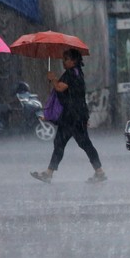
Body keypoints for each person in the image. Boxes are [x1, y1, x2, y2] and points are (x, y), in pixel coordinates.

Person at [31, 48, 107, 184]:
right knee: (72, 143)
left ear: (74, 61)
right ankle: (50, 172)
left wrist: (53, 79)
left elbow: (60, 88)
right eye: (63, 59)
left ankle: (99, 172)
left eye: (66, 59)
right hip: (75, 115)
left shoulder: (71, 73)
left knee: (71, 143)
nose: (63, 62)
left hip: (73, 116)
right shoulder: (77, 73)